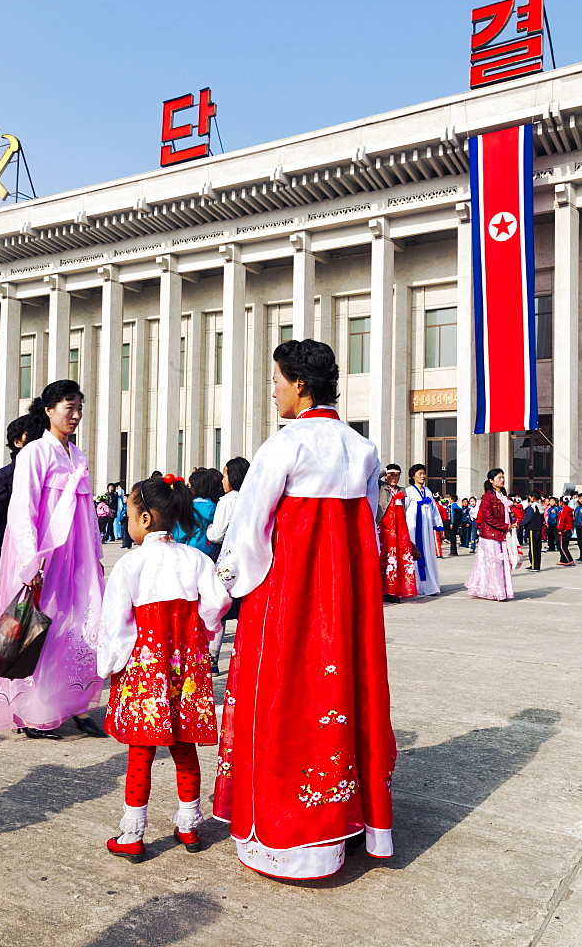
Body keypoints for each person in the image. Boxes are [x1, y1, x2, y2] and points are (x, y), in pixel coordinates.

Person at [213, 339, 395, 879]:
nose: (273, 392)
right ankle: (350, 825)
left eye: (275, 381)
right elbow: (370, 530)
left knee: (283, 697)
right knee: (346, 693)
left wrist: (225, 591)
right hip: (347, 602)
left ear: (299, 384)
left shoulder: (284, 446)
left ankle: (286, 832)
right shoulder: (362, 448)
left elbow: (249, 530)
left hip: (290, 596)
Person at [97, 475, 231, 861]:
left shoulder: (130, 564)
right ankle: (189, 826)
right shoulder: (196, 559)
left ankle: (132, 833)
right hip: (185, 670)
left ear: (142, 519)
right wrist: (202, 635)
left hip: (145, 670)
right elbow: (218, 602)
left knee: (140, 752)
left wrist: (110, 663)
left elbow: (116, 624)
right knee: (184, 747)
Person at [0, 380, 107, 740]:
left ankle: (73, 705)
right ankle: (30, 710)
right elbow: (23, 509)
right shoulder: (35, 453)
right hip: (46, 557)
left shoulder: (78, 456)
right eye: (70, 407)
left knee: (79, 626)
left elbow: (85, 513)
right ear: (49, 410)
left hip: (77, 556)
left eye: (80, 407)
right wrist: (31, 560)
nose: (76, 415)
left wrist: (95, 556)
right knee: (42, 629)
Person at [0, 415, 45, 666]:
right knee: (2, 620)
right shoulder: (7, 475)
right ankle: (1, 671)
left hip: (39, 559)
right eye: (33, 436)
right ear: (17, 442)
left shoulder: (49, 474)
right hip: (2, 558)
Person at [206, 456, 250, 674]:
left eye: (225, 474)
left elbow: (216, 534)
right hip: (251, 559)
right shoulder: (253, 498)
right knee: (246, 609)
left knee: (220, 608)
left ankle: (212, 659)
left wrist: (210, 529)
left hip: (229, 558)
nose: (223, 479)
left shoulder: (228, 501)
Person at [465, 468, 515, 601]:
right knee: (492, 563)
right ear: (491, 481)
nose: (502, 480)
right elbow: (488, 517)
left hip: (501, 534)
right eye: (499, 477)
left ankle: (500, 590)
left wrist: (513, 522)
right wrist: (505, 526)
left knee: (502, 563)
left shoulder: (503, 497)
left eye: (503, 477)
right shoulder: (488, 497)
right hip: (490, 535)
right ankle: (493, 591)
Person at [376, 463, 417, 603]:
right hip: (384, 529)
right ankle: (381, 589)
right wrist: (385, 471)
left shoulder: (403, 491)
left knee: (397, 559)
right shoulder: (381, 487)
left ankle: (393, 590)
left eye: (397, 475)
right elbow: (372, 478)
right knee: (383, 558)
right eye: (391, 474)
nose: (394, 477)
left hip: (399, 530)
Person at [405, 465, 443, 596]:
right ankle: (415, 585)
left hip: (426, 529)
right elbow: (403, 509)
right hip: (413, 528)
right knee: (414, 554)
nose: (422, 476)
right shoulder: (409, 491)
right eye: (420, 473)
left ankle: (429, 586)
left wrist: (438, 524)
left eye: (424, 473)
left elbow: (434, 509)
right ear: (412, 476)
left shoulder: (428, 491)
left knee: (428, 553)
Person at [172, 468, 223, 556]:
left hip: (190, 551)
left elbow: (179, 534)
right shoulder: (213, 506)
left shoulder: (188, 507)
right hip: (209, 551)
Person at [521, 491, 544, 572]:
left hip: (532, 528)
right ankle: (537, 564)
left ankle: (534, 566)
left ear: (533, 498)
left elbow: (528, 518)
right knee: (537, 547)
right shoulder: (540, 506)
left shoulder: (532, 507)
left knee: (533, 548)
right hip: (538, 528)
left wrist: (521, 524)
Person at [556, 499, 575, 566]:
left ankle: (569, 559)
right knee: (564, 546)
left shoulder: (563, 511)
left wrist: (560, 530)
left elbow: (561, 521)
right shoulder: (569, 511)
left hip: (564, 530)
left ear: (562, 503)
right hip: (569, 530)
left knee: (562, 547)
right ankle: (563, 560)